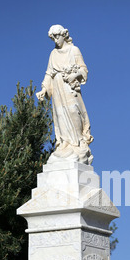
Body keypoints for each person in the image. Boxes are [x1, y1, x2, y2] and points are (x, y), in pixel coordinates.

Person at [36, 25, 93, 164]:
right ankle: (64, 145)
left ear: (64, 35)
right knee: (60, 116)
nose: (55, 40)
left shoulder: (74, 50)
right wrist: (44, 89)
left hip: (70, 88)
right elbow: (49, 73)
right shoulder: (53, 54)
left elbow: (84, 69)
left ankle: (78, 144)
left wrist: (75, 75)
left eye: (57, 36)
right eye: (53, 38)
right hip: (57, 89)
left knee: (74, 111)